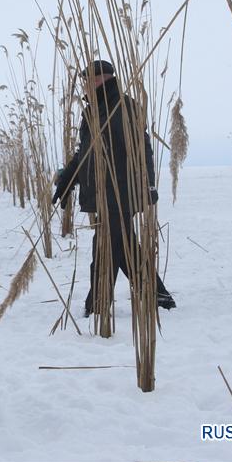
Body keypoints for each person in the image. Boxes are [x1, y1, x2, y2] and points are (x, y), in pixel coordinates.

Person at [52, 60, 176, 317]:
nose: (84, 84)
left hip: (120, 193)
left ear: (101, 78)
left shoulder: (122, 106)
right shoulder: (93, 111)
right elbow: (85, 154)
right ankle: (159, 295)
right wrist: (68, 179)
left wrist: (148, 184)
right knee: (125, 248)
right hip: (102, 193)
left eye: (87, 79)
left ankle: (96, 305)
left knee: (105, 249)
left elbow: (142, 149)